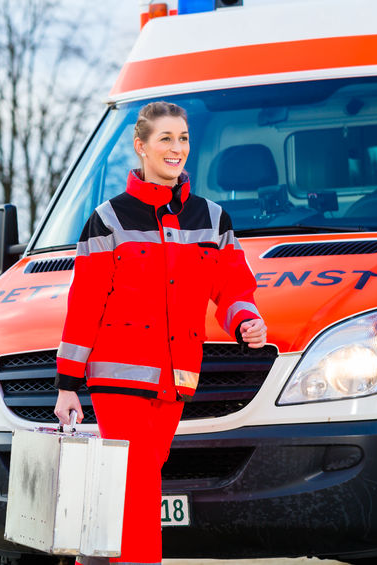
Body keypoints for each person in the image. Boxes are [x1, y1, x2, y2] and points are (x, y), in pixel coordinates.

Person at [54, 101, 267, 565]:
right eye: (165, 139)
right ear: (141, 146)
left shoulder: (212, 220)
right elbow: (85, 302)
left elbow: (232, 285)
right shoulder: (109, 220)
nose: (177, 148)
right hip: (117, 380)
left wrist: (244, 319)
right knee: (138, 489)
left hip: (175, 381)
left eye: (183, 138)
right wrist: (67, 383)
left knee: (133, 489)